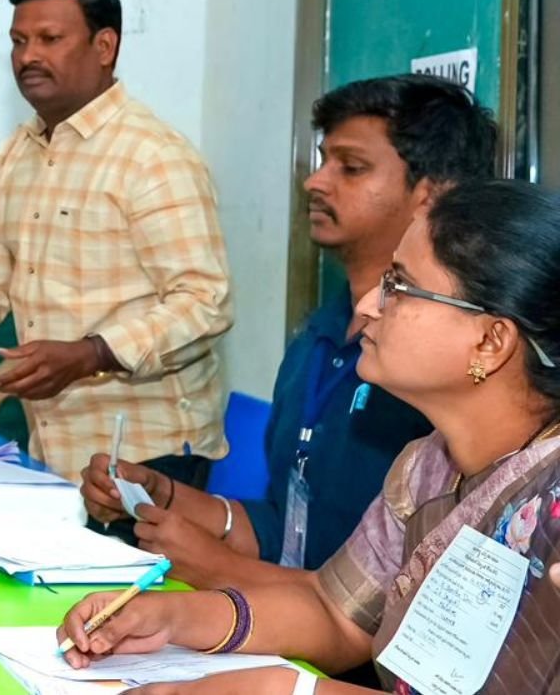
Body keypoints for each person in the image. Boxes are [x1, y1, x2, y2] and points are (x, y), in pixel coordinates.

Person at [58, 179, 560, 694]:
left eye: (399, 287)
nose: (368, 305)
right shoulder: (426, 466)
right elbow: (337, 613)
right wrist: (172, 617)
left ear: (490, 341)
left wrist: (283, 690)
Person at [79, 75, 494, 591]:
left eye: (351, 167)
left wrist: (224, 571)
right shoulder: (317, 338)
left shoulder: (443, 367)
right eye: (322, 161)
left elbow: (399, 597)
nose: (315, 182)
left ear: (430, 196)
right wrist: (165, 497)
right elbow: (290, 528)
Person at [0, 0, 234, 518]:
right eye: (18, 41)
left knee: (125, 582)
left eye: (50, 39)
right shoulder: (14, 156)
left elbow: (203, 303)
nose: (28, 56)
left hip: (150, 455)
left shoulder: (154, 157)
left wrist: (90, 355)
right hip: (56, 448)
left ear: (105, 46)